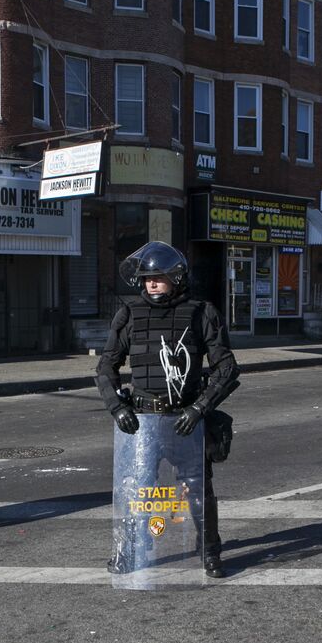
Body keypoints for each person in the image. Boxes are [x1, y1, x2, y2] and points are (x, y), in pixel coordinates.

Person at [96, 242, 239, 578]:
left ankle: (209, 550)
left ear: (176, 277)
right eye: (147, 278)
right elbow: (106, 367)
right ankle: (130, 550)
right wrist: (117, 407)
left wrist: (201, 408)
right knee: (137, 490)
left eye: (158, 277)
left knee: (199, 489)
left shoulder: (201, 312)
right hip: (143, 421)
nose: (151, 283)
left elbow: (227, 368)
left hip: (185, 420)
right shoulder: (129, 314)